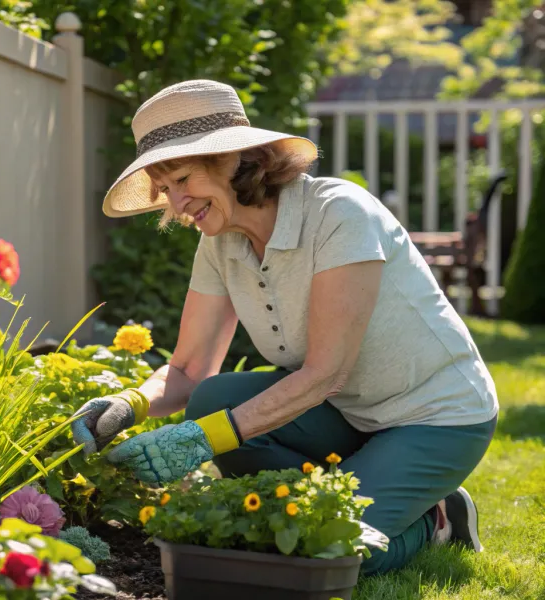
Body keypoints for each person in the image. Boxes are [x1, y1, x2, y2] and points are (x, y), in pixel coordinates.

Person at [70, 79, 498, 575]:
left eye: (183, 178)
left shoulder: (339, 213)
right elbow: (188, 369)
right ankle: (373, 487)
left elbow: (324, 374)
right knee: (215, 402)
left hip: (435, 417)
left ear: (235, 158)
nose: (177, 203)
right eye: (166, 190)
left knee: (323, 544)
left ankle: (437, 518)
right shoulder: (220, 244)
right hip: (344, 414)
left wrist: (202, 440)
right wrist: (129, 404)